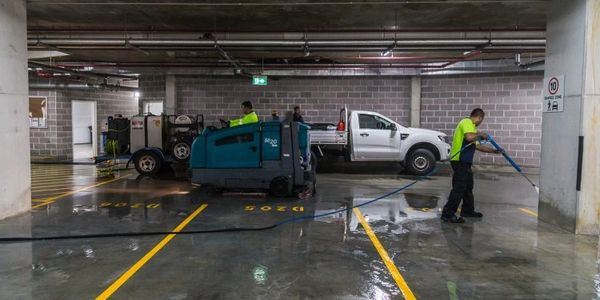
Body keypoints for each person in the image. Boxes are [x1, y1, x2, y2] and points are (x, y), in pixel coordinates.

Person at [441, 108, 503, 223]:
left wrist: (495, 151)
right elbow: (469, 138)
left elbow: (478, 146)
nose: (481, 122)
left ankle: (467, 210)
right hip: (459, 160)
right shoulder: (466, 122)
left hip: (465, 161)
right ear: (479, 117)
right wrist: (480, 134)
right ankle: (447, 214)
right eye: (481, 120)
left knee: (468, 186)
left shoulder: (473, 128)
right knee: (459, 187)